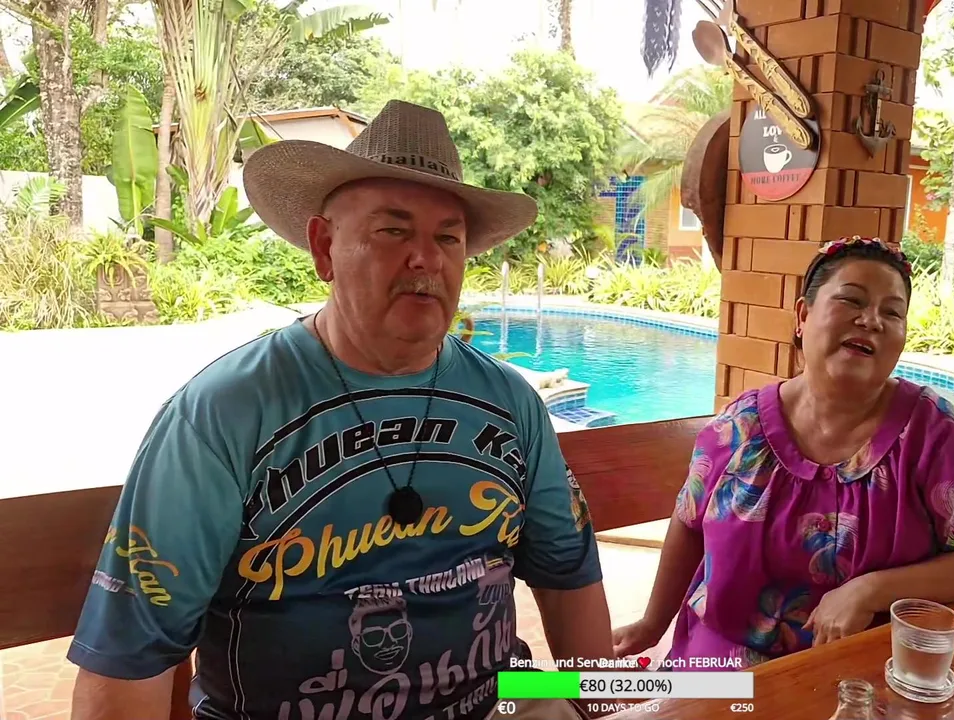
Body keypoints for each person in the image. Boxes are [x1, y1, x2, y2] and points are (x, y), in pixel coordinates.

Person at [67, 100, 613, 720]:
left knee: (688, 695)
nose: (426, 259)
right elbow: (129, 658)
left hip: (495, 704)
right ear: (324, 247)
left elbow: (568, 579)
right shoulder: (224, 413)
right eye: (393, 231)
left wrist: (599, 709)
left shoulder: (511, 403)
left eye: (448, 237)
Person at [613, 237, 954, 669]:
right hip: (721, 668)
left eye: (892, 312)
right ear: (803, 316)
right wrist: (651, 624)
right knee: (571, 689)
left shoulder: (933, 433)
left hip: (863, 670)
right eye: (851, 300)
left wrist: (872, 589)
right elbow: (689, 522)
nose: (871, 320)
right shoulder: (740, 427)